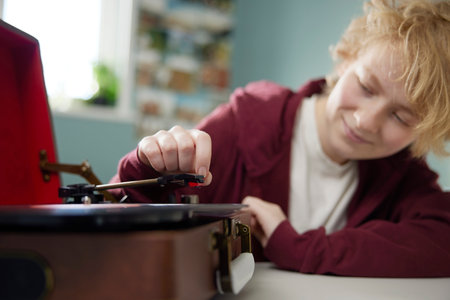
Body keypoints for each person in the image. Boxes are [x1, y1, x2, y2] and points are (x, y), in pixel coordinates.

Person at [110, 0, 450, 277]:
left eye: (401, 117)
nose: (365, 121)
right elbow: (112, 218)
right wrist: (146, 167)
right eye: (365, 87)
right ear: (346, 59)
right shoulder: (244, 125)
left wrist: (300, 247)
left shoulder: (402, 172)